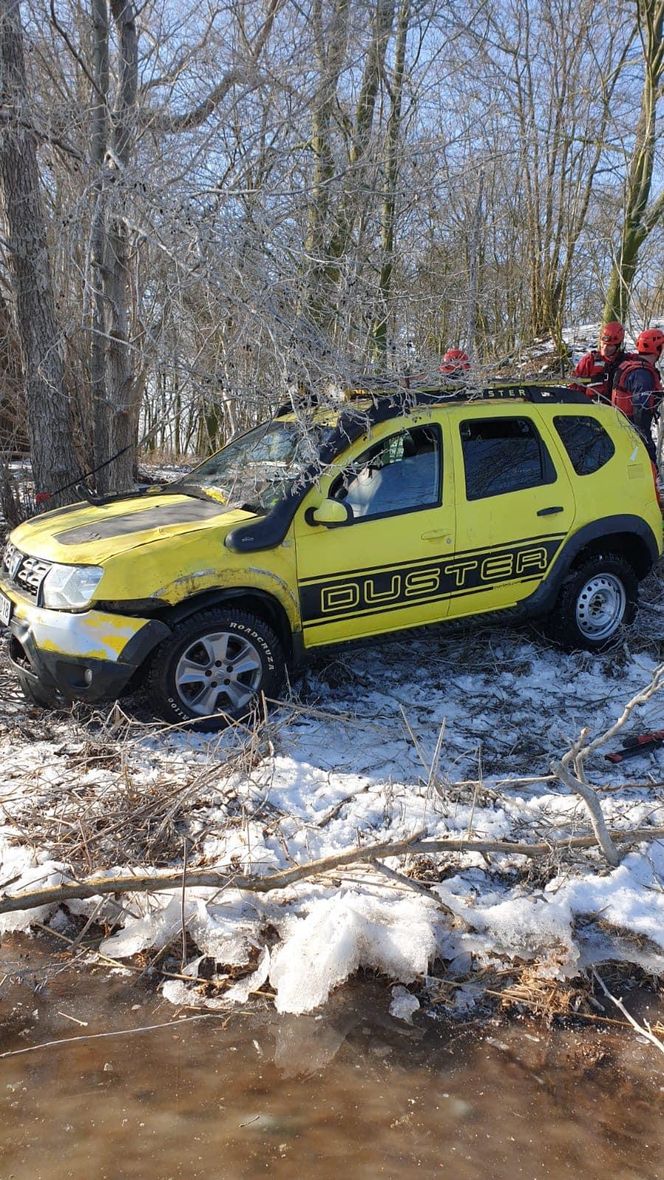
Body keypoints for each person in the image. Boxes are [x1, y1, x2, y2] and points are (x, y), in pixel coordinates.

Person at [612, 328, 664, 460]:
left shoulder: (629, 366)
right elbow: (641, 410)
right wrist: (644, 441)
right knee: (650, 470)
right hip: (633, 433)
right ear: (658, 348)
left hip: (621, 428)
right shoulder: (642, 375)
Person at [571, 321, 627, 401]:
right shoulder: (590, 360)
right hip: (592, 408)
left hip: (616, 409)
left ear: (618, 346)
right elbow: (574, 386)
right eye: (603, 343)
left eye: (609, 345)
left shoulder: (626, 361)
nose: (605, 347)